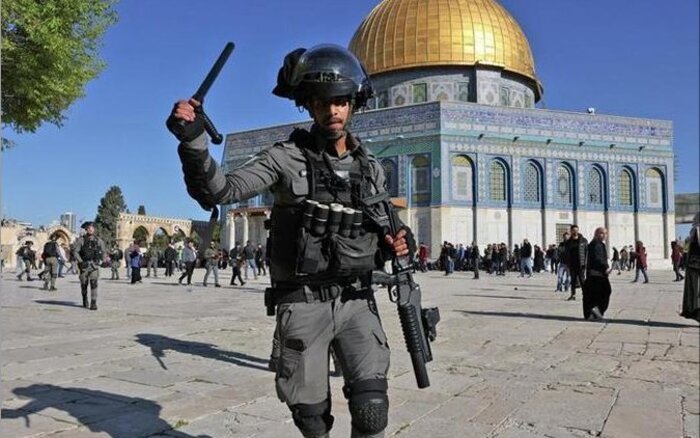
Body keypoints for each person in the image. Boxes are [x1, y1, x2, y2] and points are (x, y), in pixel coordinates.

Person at [167, 44, 412, 438]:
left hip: (356, 301)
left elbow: (389, 226)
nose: (332, 111)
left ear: (353, 104)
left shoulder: (370, 168)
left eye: (340, 102)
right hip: (303, 302)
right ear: (308, 106)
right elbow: (221, 190)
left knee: (372, 412)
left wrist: (401, 242)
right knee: (312, 422)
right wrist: (193, 141)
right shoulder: (286, 158)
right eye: (322, 102)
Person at [73, 222, 107, 310]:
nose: (91, 229)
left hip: (94, 265)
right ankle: (85, 299)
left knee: (94, 284)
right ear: (86, 230)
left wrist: (103, 260)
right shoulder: (81, 240)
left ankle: (93, 302)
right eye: (89, 228)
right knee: (84, 284)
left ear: (94, 229)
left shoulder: (99, 240)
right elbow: (75, 252)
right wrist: (80, 261)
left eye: (92, 228)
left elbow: (104, 251)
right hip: (84, 265)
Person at [582, 227, 612, 321]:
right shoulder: (597, 245)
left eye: (605, 233)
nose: (604, 235)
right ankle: (597, 310)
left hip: (594, 273)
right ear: (596, 234)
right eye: (601, 233)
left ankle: (592, 314)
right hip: (597, 274)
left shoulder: (596, 244)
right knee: (606, 291)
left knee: (593, 294)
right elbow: (598, 258)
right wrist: (606, 267)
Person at [681, 212, 700, 322]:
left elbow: (688, 249)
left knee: (694, 291)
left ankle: (695, 312)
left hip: (694, 265)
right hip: (694, 265)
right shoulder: (694, 231)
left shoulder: (696, 231)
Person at [564, 225, 588, 301]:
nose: (575, 232)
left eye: (576, 230)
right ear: (571, 231)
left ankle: (585, 294)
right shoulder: (568, 242)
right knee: (573, 280)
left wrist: (586, 262)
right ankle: (573, 295)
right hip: (572, 264)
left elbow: (587, 252)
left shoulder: (583, 240)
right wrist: (567, 263)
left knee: (582, 280)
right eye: (574, 230)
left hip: (581, 264)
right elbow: (566, 253)